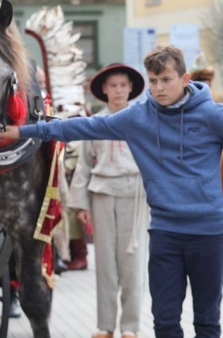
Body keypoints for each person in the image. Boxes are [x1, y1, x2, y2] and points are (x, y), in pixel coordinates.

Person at [1, 45, 223, 338]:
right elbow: (79, 127)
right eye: (153, 81)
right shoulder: (137, 118)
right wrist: (21, 132)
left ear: (185, 79)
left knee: (207, 321)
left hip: (209, 232)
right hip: (165, 232)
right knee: (165, 320)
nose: (158, 88)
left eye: (166, 79)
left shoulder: (212, 115)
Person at [68, 64, 149, 338]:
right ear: (104, 89)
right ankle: (105, 326)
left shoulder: (144, 120)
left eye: (123, 85)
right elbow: (84, 165)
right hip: (102, 193)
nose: (118, 90)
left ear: (131, 88)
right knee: (104, 264)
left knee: (133, 262)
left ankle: (130, 327)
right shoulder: (96, 122)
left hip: (135, 195)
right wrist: (81, 205)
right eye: (112, 85)